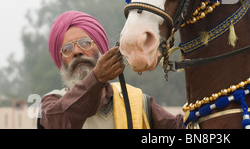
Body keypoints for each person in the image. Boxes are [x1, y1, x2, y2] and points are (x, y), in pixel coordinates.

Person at [38, 10, 184, 129]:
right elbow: (59, 121)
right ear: (61, 61)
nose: (77, 51)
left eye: (85, 43)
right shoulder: (51, 104)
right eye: (67, 49)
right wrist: (96, 78)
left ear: (102, 49)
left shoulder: (136, 101)